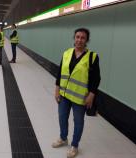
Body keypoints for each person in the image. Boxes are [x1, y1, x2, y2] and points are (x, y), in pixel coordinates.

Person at [52, 28, 101, 158]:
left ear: (86, 40)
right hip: (64, 94)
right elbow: (60, 72)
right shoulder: (67, 53)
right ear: (74, 38)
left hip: (80, 98)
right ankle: (63, 138)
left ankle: (74, 145)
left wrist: (91, 95)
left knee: (78, 121)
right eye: (77, 37)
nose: (79, 40)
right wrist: (57, 89)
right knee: (62, 117)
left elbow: (96, 79)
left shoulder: (92, 57)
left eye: (82, 38)